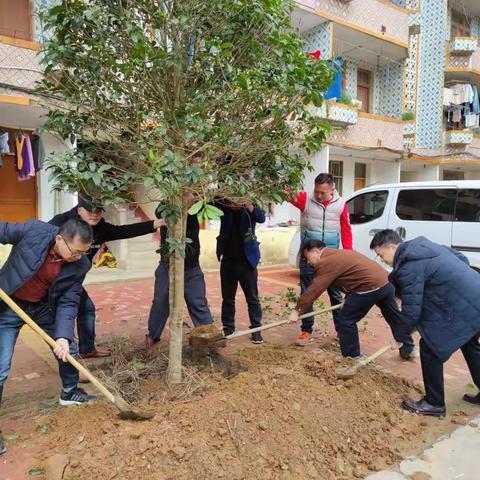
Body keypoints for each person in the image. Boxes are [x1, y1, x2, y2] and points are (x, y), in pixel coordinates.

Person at [0, 219, 97, 455]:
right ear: (59, 239)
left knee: (68, 349)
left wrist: (62, 337)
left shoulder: (80, 264)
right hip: (8, 304)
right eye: (75, 252)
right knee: (1, 367)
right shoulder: (34, 231)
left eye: (84, 252)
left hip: (44, 308)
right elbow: (3, 230)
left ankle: (70, 392)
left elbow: (69, 300)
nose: (79, 257)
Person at [371, 230, 480, 417]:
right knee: (469, 343)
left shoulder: (408, 266)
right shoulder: (425, 246)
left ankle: (434, 403)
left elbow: (412, 310)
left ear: (392, 246)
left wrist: (400, 336)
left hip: (463, 307)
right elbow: (461, 259)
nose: (382, 260)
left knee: (430, 349)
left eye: (381, 255)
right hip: (475, 297)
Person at [49, 194, 164, 358]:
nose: (94, 214)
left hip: (72, 283)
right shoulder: (61, 223)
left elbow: (123, 231)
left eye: (98, 211)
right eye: (89, 210)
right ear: (79, 209)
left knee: (86, 309)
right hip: (50, 282)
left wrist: (155, 224)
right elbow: (37, 239)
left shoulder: (100, 227)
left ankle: (87, 349)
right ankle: (71, 367)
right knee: (58, 324)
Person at [289, 240, 416, 360]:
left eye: (307, 258)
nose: (308, 263)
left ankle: (352, 357)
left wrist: (297, 311)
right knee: (393, 316)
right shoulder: (340, 253)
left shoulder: (326, 261)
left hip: (369, 287)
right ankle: (408, 348)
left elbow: (314, 289)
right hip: (385, 283)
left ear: (316, 251)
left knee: (346, 319)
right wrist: (348, 298)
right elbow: (354, 276)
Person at [289, 173, 352, 346]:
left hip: (331, 259)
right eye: (316, 191)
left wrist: (347, 254)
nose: (318, 195)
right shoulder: (305, 200)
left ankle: (341, 331)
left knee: (336, 296)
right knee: (307, 294)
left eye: (322, 192)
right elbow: (284, 193)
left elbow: (346, 230)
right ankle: (306, 330)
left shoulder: (341, 205)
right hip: (309, 258)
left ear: (332, 189)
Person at [146, 207, 213, 345]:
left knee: (198, 302)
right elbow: (159, 211)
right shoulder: (168, 204)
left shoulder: (195, 208)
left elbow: (204, 207)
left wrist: (192, 201)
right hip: (167, 267)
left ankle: (209, 338)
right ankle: (152, 335)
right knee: (160, 302)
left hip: (191, 268)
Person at [215, 199, 266, 344]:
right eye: (232, 200)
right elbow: (211, 204)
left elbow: (261, 217)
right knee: (228, 298)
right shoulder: (223, 206)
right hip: (228, 261)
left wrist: (250, 206)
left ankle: (256, 330)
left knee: (252, 299)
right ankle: (228, 328)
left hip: (247, 262)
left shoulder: (250, 207)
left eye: (238, 200)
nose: (234, 203)